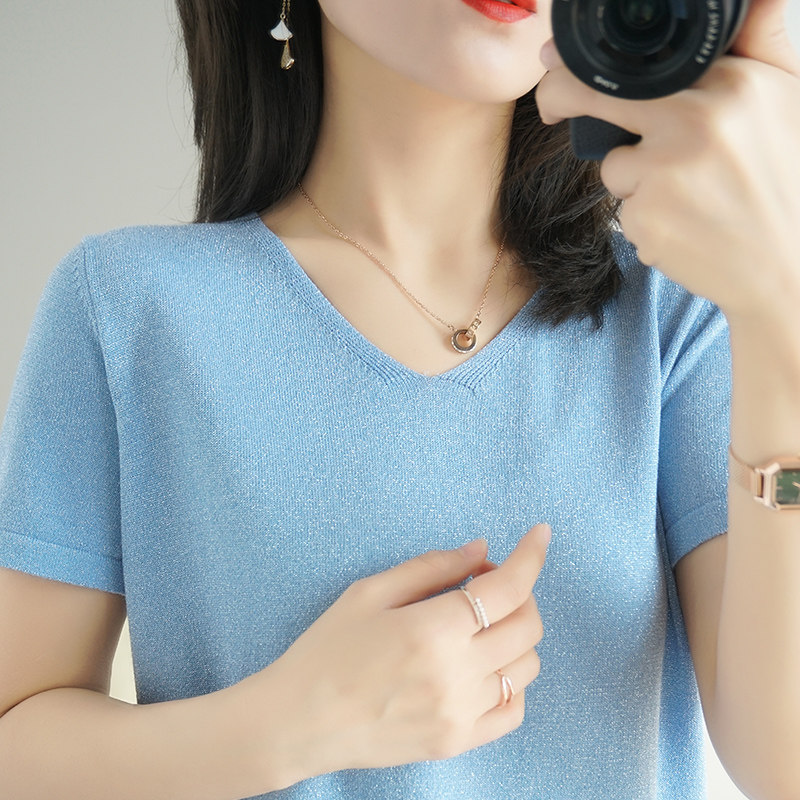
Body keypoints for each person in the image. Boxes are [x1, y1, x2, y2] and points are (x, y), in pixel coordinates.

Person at [1, 0, 799, 797]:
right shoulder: (127, 307)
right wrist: (291, 723)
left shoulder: (677, 316)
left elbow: (785, 765)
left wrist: (781, 306)